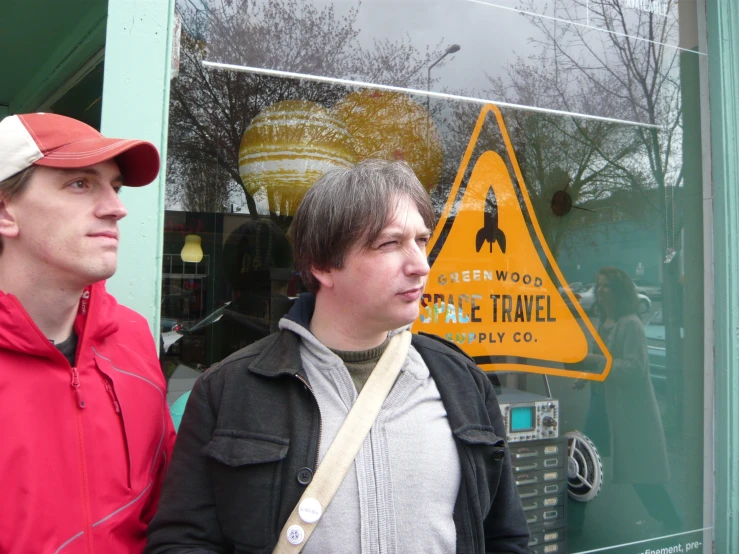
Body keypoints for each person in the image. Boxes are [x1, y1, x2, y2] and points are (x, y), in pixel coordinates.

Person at [146, 160, 530, 554]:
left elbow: (506, 538)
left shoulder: (462, 382)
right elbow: (182, 541)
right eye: (390, 244)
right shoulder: (228, 389)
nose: (420, 265)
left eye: (422, 241)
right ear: (324, 265)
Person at [0, 113, 176, 553]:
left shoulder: (132, 338)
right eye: (80, 184)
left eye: (113, 186)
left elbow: (168, 512)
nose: (116, 207)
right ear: (5, 210)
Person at [577, 267, 681, 533]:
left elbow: (634, 370)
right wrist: (587, 376)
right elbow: (604, 365)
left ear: (620, 291)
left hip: (628, 412)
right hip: (601, 407)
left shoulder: (631, 324)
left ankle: (671, 521)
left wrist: (595, 362)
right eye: (598, 286)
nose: (600, 291)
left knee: (641, 474)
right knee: (581, 464)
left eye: (606, 286)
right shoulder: (604, 321)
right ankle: (573, 522)